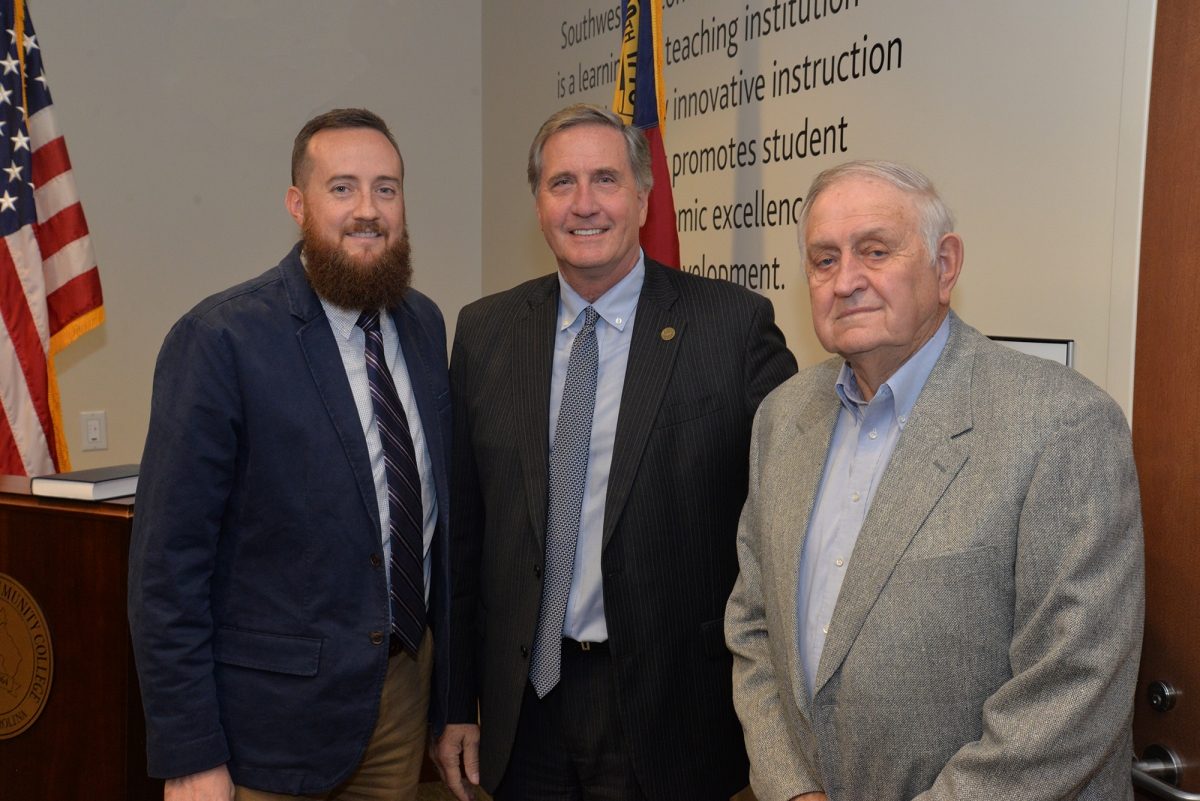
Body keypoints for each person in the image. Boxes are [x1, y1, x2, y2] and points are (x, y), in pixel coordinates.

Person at [725, 160, 1145, 801]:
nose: (846, 282)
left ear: (944, 267)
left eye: (875, 251)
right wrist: (791, 788)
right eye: (824, 260)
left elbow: (1074, 683)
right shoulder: (781, 419)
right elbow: (754, 628)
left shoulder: (1061, 423)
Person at [431, 104, 797, 801]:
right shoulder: (486, 332)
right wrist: (455, 701)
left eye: (606, 178)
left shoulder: (731, 325)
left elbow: (787, 511)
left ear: (643, 194)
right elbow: (466, 540)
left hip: (668, 713)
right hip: (525, 706)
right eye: (562, 183)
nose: (585, 203)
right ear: (538, 202)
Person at [128, 108, 452, 800]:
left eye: (386, 189)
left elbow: (434, 525)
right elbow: (167, 567)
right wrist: (190, 750)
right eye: (343, 188)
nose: (368, 210)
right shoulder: (221, 340)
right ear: (298, 205)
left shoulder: (424, 324)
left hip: (398, 700)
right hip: (269, 728)